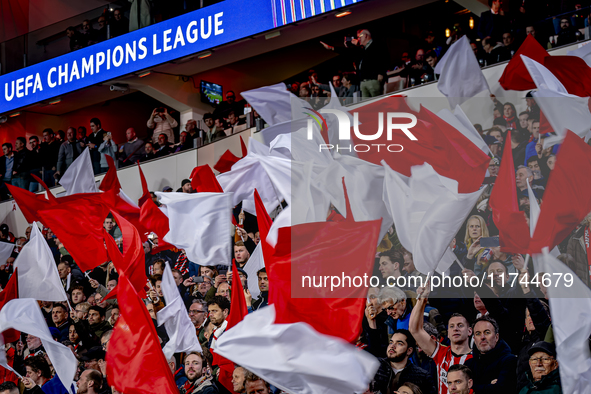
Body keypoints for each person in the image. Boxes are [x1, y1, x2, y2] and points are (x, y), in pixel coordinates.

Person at [409, 284, 473, 394]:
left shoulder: (477, 359)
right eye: (451, 326)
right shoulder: (441, 353)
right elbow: (415, 330)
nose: (455, 329)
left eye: (460, 325)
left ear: (470, 331)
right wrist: (421, 300)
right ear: (447, 333)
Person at [321, 29, 387, 98]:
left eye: (360, 37)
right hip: (362, 82)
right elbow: (349, 52)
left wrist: (381, 73)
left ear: (366, 36)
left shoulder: (376, 44)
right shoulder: (362, 49)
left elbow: (384, 58)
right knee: (367, 105)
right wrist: (331, 48)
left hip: (373, 80)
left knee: (377, 102)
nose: (358, 39)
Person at [371, 329, 436, 394]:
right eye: (391, 342)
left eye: (399, 344)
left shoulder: (422, 376)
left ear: (409, 351)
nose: (392, 346)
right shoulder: (374, 366)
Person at [464, 316, 517, 394]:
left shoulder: (509, 361)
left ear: (496, 337)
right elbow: (462, 388)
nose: (482, 337)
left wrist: (473, 387)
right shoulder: (468, 364)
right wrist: (489, 386)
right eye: (478, 333)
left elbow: (501, 390)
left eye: (487, 332)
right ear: (474, 339)